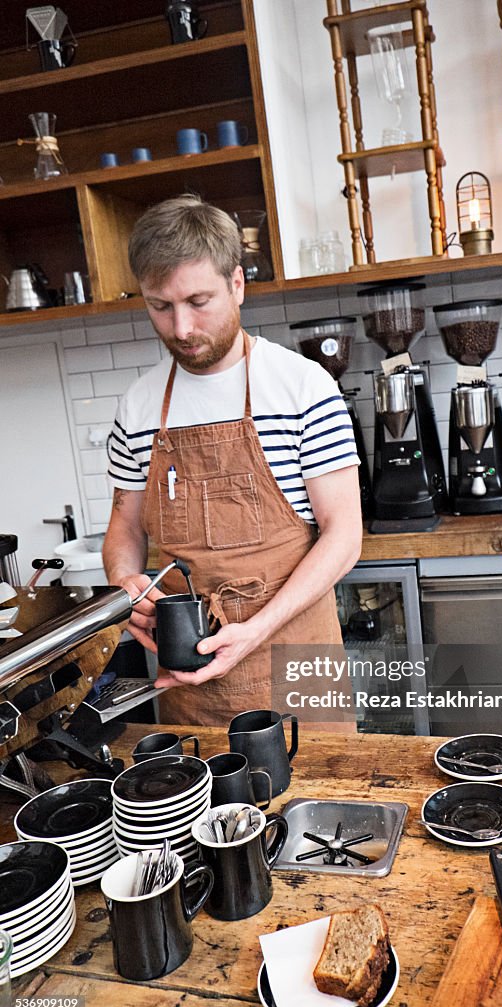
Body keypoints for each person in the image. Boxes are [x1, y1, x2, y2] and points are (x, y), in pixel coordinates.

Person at [103, 194, 362, 726]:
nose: (180, 328)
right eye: (160, 306)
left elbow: (344, 536)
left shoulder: (301, 386)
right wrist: (124, 582)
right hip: (189, 689)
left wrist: (258, 630)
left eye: (199, 301)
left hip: (297, 670)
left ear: (237, 284)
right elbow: (125, 528)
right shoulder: (137, 406)